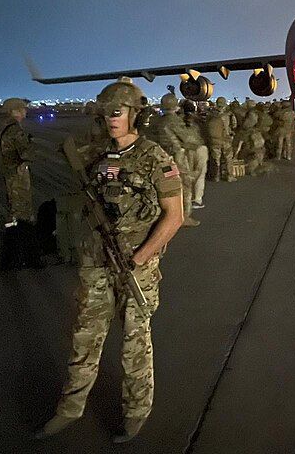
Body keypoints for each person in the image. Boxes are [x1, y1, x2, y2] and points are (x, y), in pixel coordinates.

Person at [34, 78, 183, 443]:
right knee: (85, 337)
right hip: (96, 262)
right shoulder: (96, 155)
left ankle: (135, 412)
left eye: (116, 113)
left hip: (135, 265)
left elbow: (175, 215)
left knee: (135, 342)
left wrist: (140, 256)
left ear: (135, 115)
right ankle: (70, 408)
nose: (110, 120)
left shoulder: (155, 158)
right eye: (105, 114)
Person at [146, 93, 200, 226]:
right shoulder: (174, 121)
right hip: (176, 157)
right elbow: (189, 139)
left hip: (159, 157)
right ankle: (183, 217)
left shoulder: (156, 121)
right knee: (185, 185)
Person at [0, 98, 35, 226]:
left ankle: (15, 230)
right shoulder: (15, 130)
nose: (25, 111)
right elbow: (25, 153)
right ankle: (20, 233)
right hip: (17, 172)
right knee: (21, 206)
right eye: (23, 109)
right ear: (15, 111)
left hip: (10, 171)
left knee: (14, 203)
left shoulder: (6, 127)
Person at [181, 100, 208, 209]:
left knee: (188, 173)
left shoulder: (179, 120)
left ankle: (187, 198)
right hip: (200, 147)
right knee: (200, 173)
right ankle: (197, 199)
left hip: (187, 149)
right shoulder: (200, 120)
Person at [205, 97, 236, 181]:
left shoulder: (210, 115)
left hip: (214, 139)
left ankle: (216, 176)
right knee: (228, 157)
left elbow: (206, 126)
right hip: (226, 139)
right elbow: (234, 125)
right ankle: (229, 176)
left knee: (215, 158)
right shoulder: (229, 114)